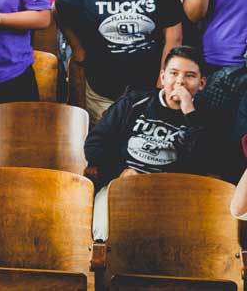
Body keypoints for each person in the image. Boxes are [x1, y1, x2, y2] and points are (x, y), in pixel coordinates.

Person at [85, 46, 216, 240]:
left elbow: (204, 163)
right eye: (174, 73)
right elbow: (94, 145)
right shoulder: (134, 102)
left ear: (202, 83)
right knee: (104, 232)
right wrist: (119, 170)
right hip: (122, 183)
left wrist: (189, 113)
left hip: (171, 194)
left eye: (190, 76)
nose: (180, 81)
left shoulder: (205, 118)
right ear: (163, 77)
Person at [56, 0, 184, 123]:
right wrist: (77, 47)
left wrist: (163, 80)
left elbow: (174, 36)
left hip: (148, 88)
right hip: (102, 91)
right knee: (102, 147)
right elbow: (59, 9)